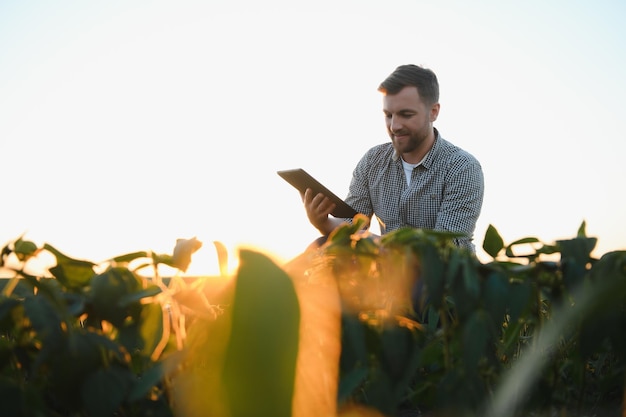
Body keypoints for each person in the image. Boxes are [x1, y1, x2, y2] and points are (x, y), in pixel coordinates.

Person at [303, 64, 484, 252]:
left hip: (442, 278)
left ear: (434, 112)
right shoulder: (372, 161)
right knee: (319, 246)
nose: (394, 126)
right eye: (388, 115)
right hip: (387, 273)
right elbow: (354, 226)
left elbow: (444, 249)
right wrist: (322, 222)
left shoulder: (462, 167)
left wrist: (372, 243)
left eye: (406, 115)